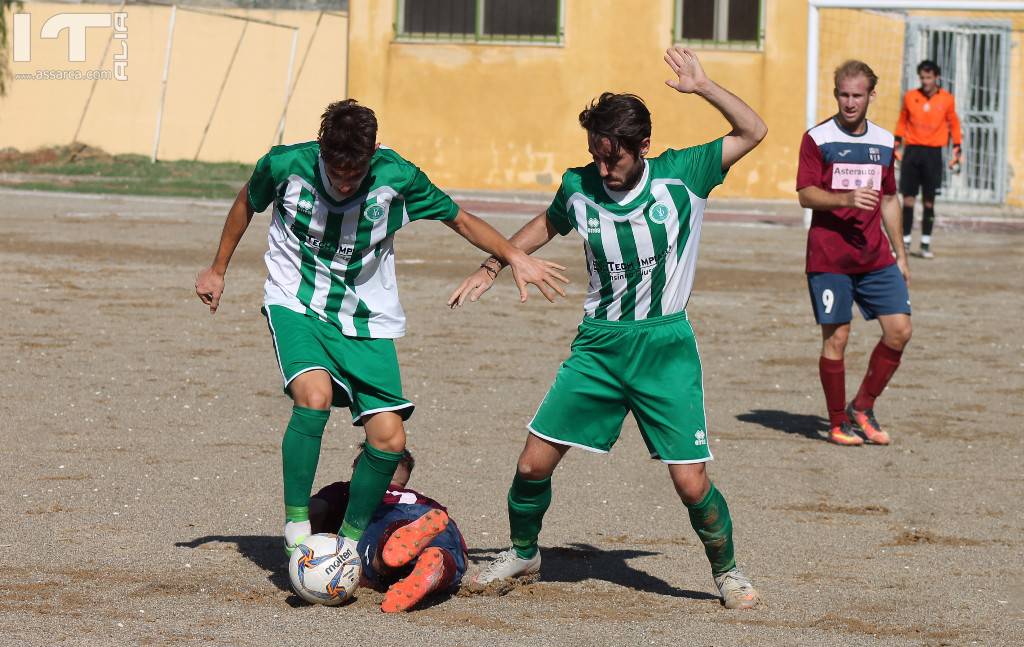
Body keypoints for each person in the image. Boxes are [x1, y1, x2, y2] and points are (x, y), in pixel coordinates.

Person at [447, 47, 766, 610]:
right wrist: (495, 262)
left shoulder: (684, 175)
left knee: (691, 483)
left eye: (612, 158)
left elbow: (754, 129)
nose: (601, 168)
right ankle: (523, 553)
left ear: (642, 147)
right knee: (531, 464)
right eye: (594, 155)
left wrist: (705, 85)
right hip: (597, 346)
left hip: (664, 346)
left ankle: (729, 573)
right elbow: (549, 221)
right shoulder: (578, 187)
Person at [194, 100, 568, 565]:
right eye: (338, 171)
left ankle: (348, 545)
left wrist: (514, 256)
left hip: (367, 317)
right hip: (296, 301)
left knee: (389, 439)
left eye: (357, 172)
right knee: (312, 395)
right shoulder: (285, 164)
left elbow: (462, 219)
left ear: (371, 153)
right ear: (322, 151)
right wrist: (217, 269)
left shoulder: (398, 176)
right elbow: (245, 203)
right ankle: (297, 529)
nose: (347, 182)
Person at [797, 60, 913, 447]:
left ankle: (862, 407)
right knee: (838, 338)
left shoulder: (883, 141)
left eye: (857, 95)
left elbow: (890, 199)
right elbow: (805, 194)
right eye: (844, 95)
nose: (850, 102)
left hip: (876, 258)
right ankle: (835, 422)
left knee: (900, 331)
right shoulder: (817, 138)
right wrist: (845, 198)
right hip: (830, 259)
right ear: (836, 95)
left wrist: (902, 254)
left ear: (870, 96)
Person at [308, 445, 468, 613]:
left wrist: (308, 538)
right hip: (432, 517)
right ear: (405, 478)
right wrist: (460, 558)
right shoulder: (422, 500)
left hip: (384, 513)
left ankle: (388, 552)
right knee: (450, 558)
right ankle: (442, 564)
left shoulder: (352, 490)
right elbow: (463, 553)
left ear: (357, 466)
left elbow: (316, 508)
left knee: (380, 549)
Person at [895, 59, 962, 259]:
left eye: (929, 78)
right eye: (922, 78)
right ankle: (905, 242)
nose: (925, 81)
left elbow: (954, 124)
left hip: (933, 154)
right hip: (912, 151)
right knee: (907, 199)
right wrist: (896, 144)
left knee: (929, 202)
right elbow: (901, 122)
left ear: (937, 77)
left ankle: (925, 243)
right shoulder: (910, 97)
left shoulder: (947, 99)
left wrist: (958, 148)